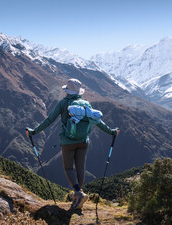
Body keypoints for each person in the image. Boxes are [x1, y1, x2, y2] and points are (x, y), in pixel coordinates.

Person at [26, 78, 119, 210]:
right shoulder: (86, 104)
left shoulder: (63, 103)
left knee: (68, 169)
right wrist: (111, 132)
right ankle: (78, 199)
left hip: (68, 142)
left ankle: (78, 193)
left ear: (67, 91)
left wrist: (34, 131)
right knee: (80, 169)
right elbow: (98, 121)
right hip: (83, 141)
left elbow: (49, 120)